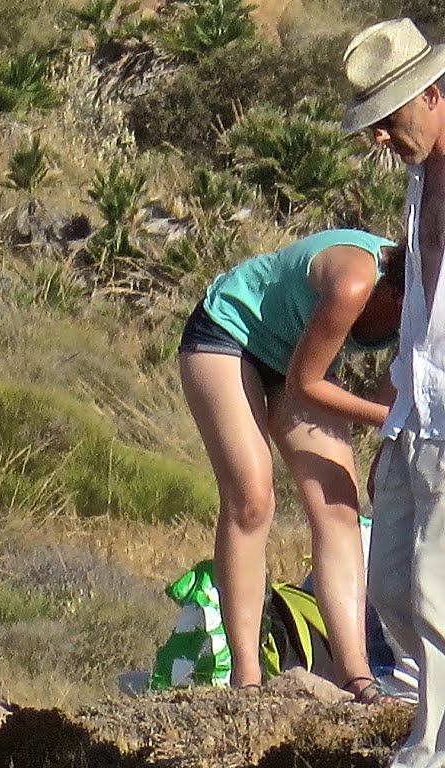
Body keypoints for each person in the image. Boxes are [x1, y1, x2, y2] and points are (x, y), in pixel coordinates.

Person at [178, 229, 404, 699]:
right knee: (252, 497)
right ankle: (246, 679)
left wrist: (391, 443)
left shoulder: (429, 308)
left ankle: (357, 678)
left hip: (301, 360)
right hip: (230, 336)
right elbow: (306, 386)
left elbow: (397, 391)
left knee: (338, 506)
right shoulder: (354, 284)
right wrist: (395, 418)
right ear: (403, 286)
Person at [342, 16, 445, 766]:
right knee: (391, 587)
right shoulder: (419, 180)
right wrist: (393, 418)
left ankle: (430, 746)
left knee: (435, 589)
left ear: (433, 94)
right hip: (420, 410)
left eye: (389, 118)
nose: (380, 137)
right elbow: (417, 310)